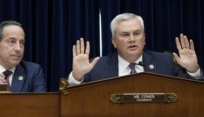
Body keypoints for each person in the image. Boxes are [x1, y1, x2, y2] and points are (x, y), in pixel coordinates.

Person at [68, 12, 203, 85]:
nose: (132, 39)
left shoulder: (167, 62)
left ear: (144, 38)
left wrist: (193, 71)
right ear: (114, 41)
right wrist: (76, 77)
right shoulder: (96, 67)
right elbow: (71, 100)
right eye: (125, 35)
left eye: (136, 33)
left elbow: (193, 95)